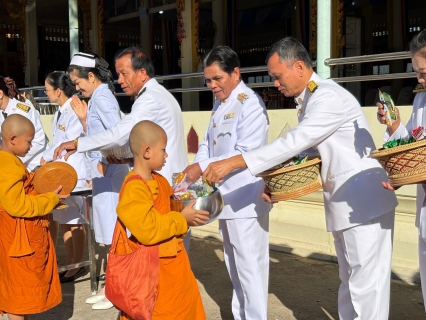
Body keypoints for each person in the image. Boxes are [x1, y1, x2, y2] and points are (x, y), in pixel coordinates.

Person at [202, 37, 399, 320]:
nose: (275, 84)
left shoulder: (327, 97)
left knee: (367, 287)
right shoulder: (310, 100)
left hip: (363, 203)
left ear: (298, 66)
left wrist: (235, 161)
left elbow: (296, 142)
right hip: (347, 202)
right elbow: (306, 153)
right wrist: (277, 185)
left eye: (278, 76)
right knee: (351, 282)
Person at [53, 47, 191, 250]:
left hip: (162, 182)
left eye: (124, 73)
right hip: (165, 178)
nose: (119, 80)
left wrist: (78, 144)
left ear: (142, 73)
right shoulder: (157, 95)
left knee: (163, 251)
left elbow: (120, 134)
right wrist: (128, 157)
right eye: (118, 74)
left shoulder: (149, 98)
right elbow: (137, 139)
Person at [182, 45, 272, 319]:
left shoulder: (250, 103)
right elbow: (207, 146)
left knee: (250, 269)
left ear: (235, 72)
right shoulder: (221, 103)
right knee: (235, 268)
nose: (211, 85)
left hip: (245, 200)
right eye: (207, 80)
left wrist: (203, 165)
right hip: (224, 199)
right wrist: (197, 168)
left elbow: (246, 152)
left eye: (217, 79)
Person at [115, 120, 208, 320]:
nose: (167, 155)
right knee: (160, 312)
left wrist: (189, 206)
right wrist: (181, 219)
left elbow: (172, 211)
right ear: (147, 151)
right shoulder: (134, 188)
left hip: (175, 266)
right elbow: (147, 230)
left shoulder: (160, 181)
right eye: (163, 150)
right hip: (152, 273)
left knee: (184, 309)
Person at [67, 52, 130, 309]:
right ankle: (110, 287)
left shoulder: (102, 97)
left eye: (78, 82)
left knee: (113, 233)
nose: (77, 87)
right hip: (103, 174)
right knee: (106, 233)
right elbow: (99, 133)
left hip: (110, 174)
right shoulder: (96, 98)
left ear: (91, 76)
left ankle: (115, 288)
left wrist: (105, 160)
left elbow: (118, 134)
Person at [0, 114, 68, 320]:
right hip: (18, 241)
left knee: (22, 295)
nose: (31, 146)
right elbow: (17, 205)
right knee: (19, 297)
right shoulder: (8, 165)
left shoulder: (9, 161)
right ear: (13, 139)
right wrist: (49, 199)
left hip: (17, 237)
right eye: (29, 141)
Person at [377, 29, 426, 311]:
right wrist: (393, 125)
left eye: (424, 72)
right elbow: (413, 143)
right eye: (416, 72)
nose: (419, 79)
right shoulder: (421, 98)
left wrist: (411, 174)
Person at [41, 71, 88, 282]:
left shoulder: (74, 110)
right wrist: (45, 158)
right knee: (65, 220)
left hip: (74, 172)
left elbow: (69, 142)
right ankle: (70, 263)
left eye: (47, 90)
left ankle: (77, 265)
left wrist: (47, 158)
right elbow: (54, 144)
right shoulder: (61, 111)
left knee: (75, 221)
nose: (45, 93)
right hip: (62, 172)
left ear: (58, 91)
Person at [0, 76, 47, 171]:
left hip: (35, 165)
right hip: (13, 166)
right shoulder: (1, 112)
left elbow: (39, 140)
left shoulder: (24, 110)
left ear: (0, 94)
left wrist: (14, 160)